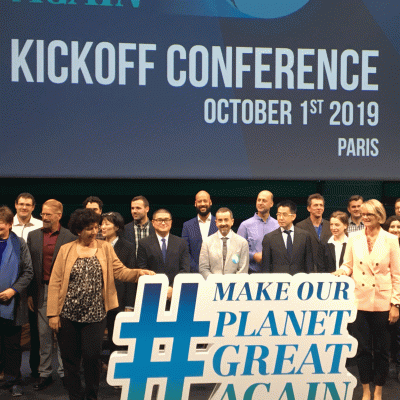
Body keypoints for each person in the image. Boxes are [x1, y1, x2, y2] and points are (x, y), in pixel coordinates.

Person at [47, 209, 155, 400]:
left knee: (91, 357)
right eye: (89, 228)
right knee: (70, 360)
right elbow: (55, 283)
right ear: (78, 230)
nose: (95, 231)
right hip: (68, 314)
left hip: (96, 315)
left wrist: (138, 273)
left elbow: (120, 272)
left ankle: (91, 395)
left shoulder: (105, 248)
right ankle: (75, 396)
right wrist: (53, 314)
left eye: (96, 227)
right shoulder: (66, 249)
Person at [333, 199, 400, 400]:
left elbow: (397, 275)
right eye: (363, 214)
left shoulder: (390, 239)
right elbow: (348, 265)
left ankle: (378, 390)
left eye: (369, 214)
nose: (365, 217)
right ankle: (365, 390)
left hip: (382, 301)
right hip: (360, 301)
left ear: (379, 215)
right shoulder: (354, 238)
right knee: (362, 350)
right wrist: (341, 272)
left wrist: (395, 304)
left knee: (381, 350)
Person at [27, 199, 76, 390]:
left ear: (59, 215)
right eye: (43, 214)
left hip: (64, 292)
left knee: (64, 334)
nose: (44, 217)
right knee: (44, 335)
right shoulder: (33, 236)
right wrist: (30, 294)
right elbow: (29, 267)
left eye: (48, 214)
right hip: (41, 290)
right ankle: (45, 373)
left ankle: (65, 373)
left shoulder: (70, 237)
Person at [0, 206, 33, 397]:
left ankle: (13, 380)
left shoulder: (19, 244)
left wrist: (13, 290)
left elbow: (28, 271)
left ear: (9, 224)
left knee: (12, 345)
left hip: (12, 304)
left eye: (1, 226)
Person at [11, 192, 42, 379]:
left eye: (28, 204)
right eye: (21, 204)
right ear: (15, 205)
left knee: (35, 330)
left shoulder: (40, 226)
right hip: (9, 285)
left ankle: (35, 370)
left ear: (33, 207)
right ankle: (8, 371)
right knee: (9, 331)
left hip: (33, 285)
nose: (24, 207)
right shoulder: (6, 224)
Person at [100, 211, 136, 357]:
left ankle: (114, 364)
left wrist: (129, 304)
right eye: (102, 224)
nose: (103, 227)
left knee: (115, 336)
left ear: (116, 227)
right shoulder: (96, 245)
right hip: (98, 299)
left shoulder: (128, 247)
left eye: (107, 224)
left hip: (118, 299)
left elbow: (130, 277)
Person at [136, 209, 189, 302]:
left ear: (171, 222)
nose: (163, 223)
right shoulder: (144, 243)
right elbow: (142, 269)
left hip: (176, 294)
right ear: (153, 222)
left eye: (166, 220)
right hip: (152, 294)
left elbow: (185, 269)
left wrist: (173, 288)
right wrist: (160, 289)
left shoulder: (181, 243)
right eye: (159, 220)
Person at [262, 200, 313, 274]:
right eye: (279, 214)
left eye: (284, 215)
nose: (281, 218)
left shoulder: (305, 236)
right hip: (278, 280)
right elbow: (266, 267)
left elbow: (309, 265)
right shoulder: (269, 238)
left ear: (293, 216)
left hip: (299, 279)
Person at [199, 207, 249, 278]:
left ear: (232, 221)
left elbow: (243, 270)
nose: (223, 223)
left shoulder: (242, 243)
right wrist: (214, 281)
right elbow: (203, 268)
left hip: (235, 284)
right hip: (212, 283)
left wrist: (231, 282)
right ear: (216, 223)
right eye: (220, 220)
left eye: (226, 220)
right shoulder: (207, 242)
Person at [237, 190, 279, 273]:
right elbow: (236, 251)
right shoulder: (245, 225)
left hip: (274, 274)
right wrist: (253, 256)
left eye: (264, 200)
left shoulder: (278, 225)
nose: (260, 203)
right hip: (251, 273)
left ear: (271, 204)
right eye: (259, 200)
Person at [182, 191, 218, 273]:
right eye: (199, 201)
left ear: (210, 202)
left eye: (205, 201)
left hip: (216, 274)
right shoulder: (187, 225)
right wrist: (199, 270)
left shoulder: (219, 224)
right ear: (195, 204)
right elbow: (185, 252)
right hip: (194, 274)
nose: (202, 204)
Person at [296, 193, 331, 272]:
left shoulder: (330, 225)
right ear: (309, 208)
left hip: (327, 269)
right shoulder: (300, 226)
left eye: (321, 205)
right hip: (307, 269)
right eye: (315, 205)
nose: (319, 208)